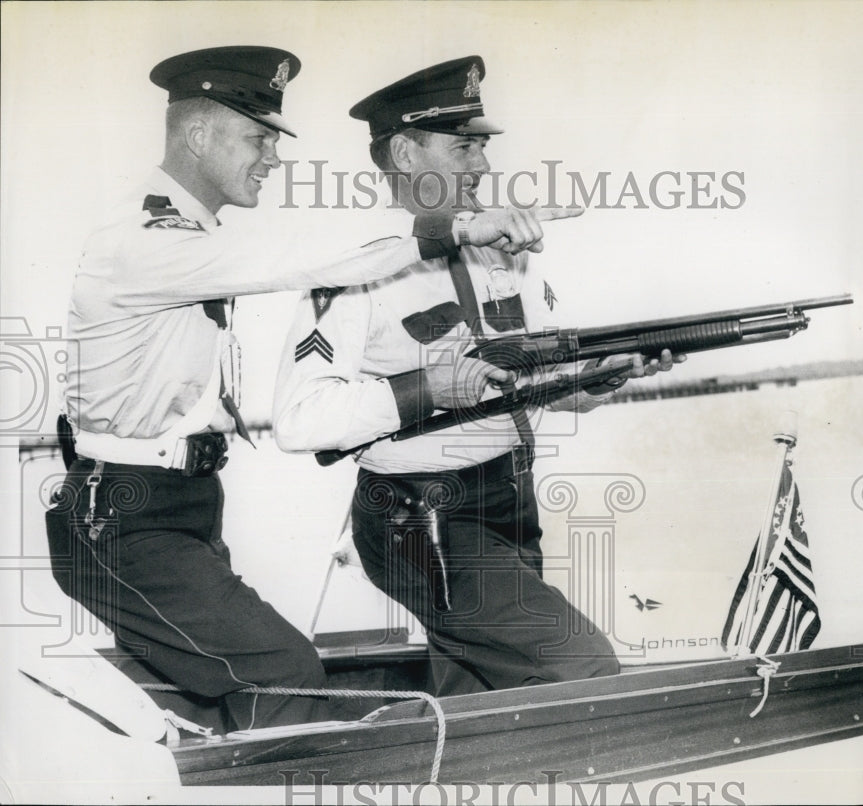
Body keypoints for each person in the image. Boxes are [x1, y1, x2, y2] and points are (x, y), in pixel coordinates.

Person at [44, 46, 578, 732]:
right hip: (121, 514)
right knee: (285, 676)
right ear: (198, 134)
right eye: (258, 137)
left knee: (198, 705)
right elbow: (291, 257)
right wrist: (457, 227)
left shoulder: (192, 235)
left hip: (176, 506)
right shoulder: (146, 240)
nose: (272, 157)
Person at [273, 56, 679, 697]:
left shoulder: (498, 250)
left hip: (510, 498)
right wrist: (429, 387)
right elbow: (300, 421)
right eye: (464, 149)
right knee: (580, 665)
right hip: (419, 516)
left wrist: (596, 379)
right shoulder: (355, 267)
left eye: (482, 149)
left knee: (487, 697)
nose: (483, 168)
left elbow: (517, 381)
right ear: (406, 154)